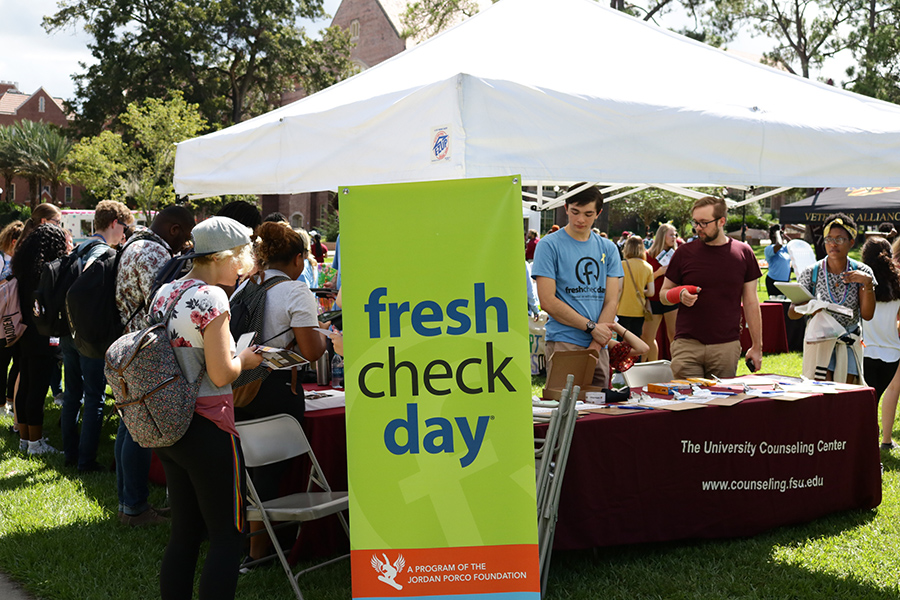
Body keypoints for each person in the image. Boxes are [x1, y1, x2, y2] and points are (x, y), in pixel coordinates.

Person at [150, 216, 263, 600]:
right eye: (240, 259)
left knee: (183, 534)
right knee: (227, 538)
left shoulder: (166, 292)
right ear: (222, 256)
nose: (242, 269)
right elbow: (221, 373)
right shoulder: (212, 298)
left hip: (168, 422)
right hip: (208, 425)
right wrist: (244, 359)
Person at [233, 221, 328, 565]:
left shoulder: (244, 288)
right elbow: (312, 350)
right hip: (276, 389)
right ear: (299, 259)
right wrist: (325, 337)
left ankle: (244, 544)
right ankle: (261, 553)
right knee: (270, 473)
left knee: (249, 471)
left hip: (241, 385)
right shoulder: (295, 290)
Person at [114, 205, 195, 526]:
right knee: (140, 432)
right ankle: (133, 508)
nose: (186, 243)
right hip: (146, 352)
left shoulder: (137, 245)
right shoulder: (152, 253)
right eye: (185, 235)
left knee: (129, 426)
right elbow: (163, 306)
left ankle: (128, 505)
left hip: (132, 347)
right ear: (174, 229)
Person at [61, 201, 135, 473]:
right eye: (124, 227)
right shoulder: (104, 254)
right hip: (89, 337)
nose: (124, 234)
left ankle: (70, 452)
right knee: (94, 397)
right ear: (114, 222)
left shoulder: (78, 248)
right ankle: (86, 461)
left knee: (72, 394)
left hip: (69, 332)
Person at [660, 196, 763, 379]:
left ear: (721, 221)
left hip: (725, 347)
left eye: (704, 223)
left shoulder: (743, 253)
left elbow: (751, 302)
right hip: (687, 345)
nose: (698, 228)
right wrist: (679, 294)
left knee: (722, 404)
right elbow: (663, 294)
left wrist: (757, 346)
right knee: (687, 404)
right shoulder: (684, 253)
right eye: (695, 222)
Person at [532, 183, 622, 388]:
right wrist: (592, 329)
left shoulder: (608, 247)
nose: (581, 219)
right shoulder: (549, 245)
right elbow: (547, 300)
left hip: (600, 345)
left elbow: (612, 300)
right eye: (575, 212)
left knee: (600, 413)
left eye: (588, 214)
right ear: (566, 208)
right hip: (565, 340)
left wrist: (596, 343)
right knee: (565, 410)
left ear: (598, 213)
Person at [789, 213, 875, 383]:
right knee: (821, 397)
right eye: (829, 239)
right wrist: (810, 306)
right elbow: (792, 313)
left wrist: (868, 284)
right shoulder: (812, 272)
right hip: (819, 343)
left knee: (845, 396)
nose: (833, 244)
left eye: (840, 239)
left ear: (851, 242)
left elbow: (867, 315)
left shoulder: (862, 272)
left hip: (848, 343)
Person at [13, 224, 68, 454]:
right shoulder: (49, 272)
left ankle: (26, 439)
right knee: (37, 389)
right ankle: (36, 444)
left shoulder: (23, 267)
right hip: (42, 335)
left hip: (23, 332)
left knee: (25, 385)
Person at [859, 237, 900, 449]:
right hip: (893, 353)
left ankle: (866, 449)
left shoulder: (860, 283)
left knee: (866, 406)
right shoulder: (898, 282)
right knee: (873, 403)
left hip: (865, 351)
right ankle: (874, 445)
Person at [641, 223, 678, 362]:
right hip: (653, 300)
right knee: (647, 337)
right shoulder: (648, 255)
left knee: (674, 336)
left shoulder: (677, 255)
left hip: (671, 299)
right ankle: (649, 369)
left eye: (675, 235)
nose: (674, 237)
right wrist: (658, 273)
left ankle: (677, 367)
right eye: (671, 234)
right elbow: (643, 280)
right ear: (662, 236)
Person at [0, 220, 22, 417]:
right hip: (2, 320)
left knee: (17, 362)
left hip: (14, 320)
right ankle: (1, 406)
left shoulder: (17, 261)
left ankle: (9, 399)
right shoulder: (1, 259)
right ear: (14, 242)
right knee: (1, 363)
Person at [617, 235, 654, 340]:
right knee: (636, 340)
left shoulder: (622, 265)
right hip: (639, 310)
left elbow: (619, 288)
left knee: (620, 341)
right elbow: (651, 292)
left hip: (622, 309)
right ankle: (636, 357)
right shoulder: (648, 267)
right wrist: (641, 291)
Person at [764, 223, 792, 297]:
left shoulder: (784, 249)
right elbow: (779, 244)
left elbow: (793, 245)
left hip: (785, 282)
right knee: (776, 305)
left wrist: (784, 235)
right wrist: (777, 232)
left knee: (785, 305)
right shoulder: (769, 249)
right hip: (774, 282)